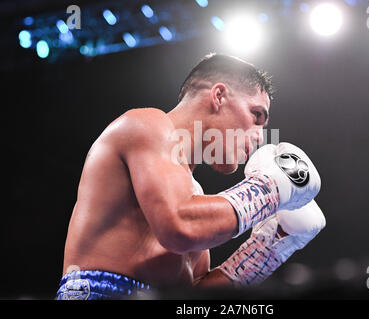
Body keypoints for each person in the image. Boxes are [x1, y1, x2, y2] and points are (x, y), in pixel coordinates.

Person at [56, 53, 326, 300]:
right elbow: (180, 227)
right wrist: (269, 190)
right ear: (219, 96)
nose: (259, 136)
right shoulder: (145, 124)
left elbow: (192, 299)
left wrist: (267, 246)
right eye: (256, 115)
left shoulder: (196, 199)